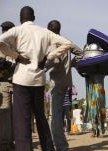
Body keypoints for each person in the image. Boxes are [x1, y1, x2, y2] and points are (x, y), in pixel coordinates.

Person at [0, 6, 79, 151]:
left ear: (21, 18)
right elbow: (67, 44)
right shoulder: (44, 32)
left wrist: (16, 56)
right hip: (38, 80)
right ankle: (48, 148)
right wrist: (48, 57)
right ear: (34, 17)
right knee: (41, 118)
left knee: (23, 120)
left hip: (21, 80)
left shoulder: (17, 30)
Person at [45, 20, 83, 151]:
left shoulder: (53, 43)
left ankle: (61, 146)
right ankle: (60, 145)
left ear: (50, 30)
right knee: (57, 115)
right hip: (66, 81)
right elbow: (80, 53)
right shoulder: (67, 40)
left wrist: (42, 67)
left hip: (56, 82)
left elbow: (54, 61)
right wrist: (71, 65)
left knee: (54, 117)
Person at [0, 21, 15, 151]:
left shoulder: (16, 45)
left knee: (13, 115)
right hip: (2, 83)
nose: (5, 32)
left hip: (17, 82)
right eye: (4, 30)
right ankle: (5, 144)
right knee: (5, 113)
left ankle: (11, 142)